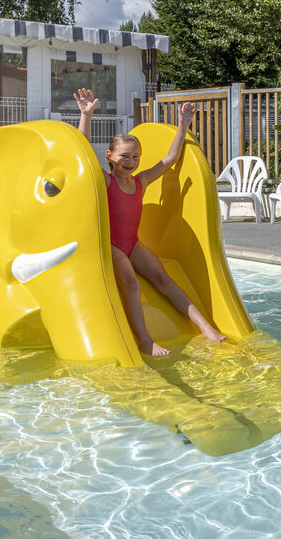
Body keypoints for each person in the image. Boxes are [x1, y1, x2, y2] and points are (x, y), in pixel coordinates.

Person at [75, 88, 225, 355]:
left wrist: (183, 126)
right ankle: (144, 339)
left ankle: (204, 326)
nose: (131, 162)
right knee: (131, 283)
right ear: (109, 156)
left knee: (163, 279)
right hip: (111, 246)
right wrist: (86, 115)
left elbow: (169, 160)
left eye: (135, 157)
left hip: (133, 243)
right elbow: (83, 151)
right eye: (124, 156)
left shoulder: (140, 181)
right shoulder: (105, 181)